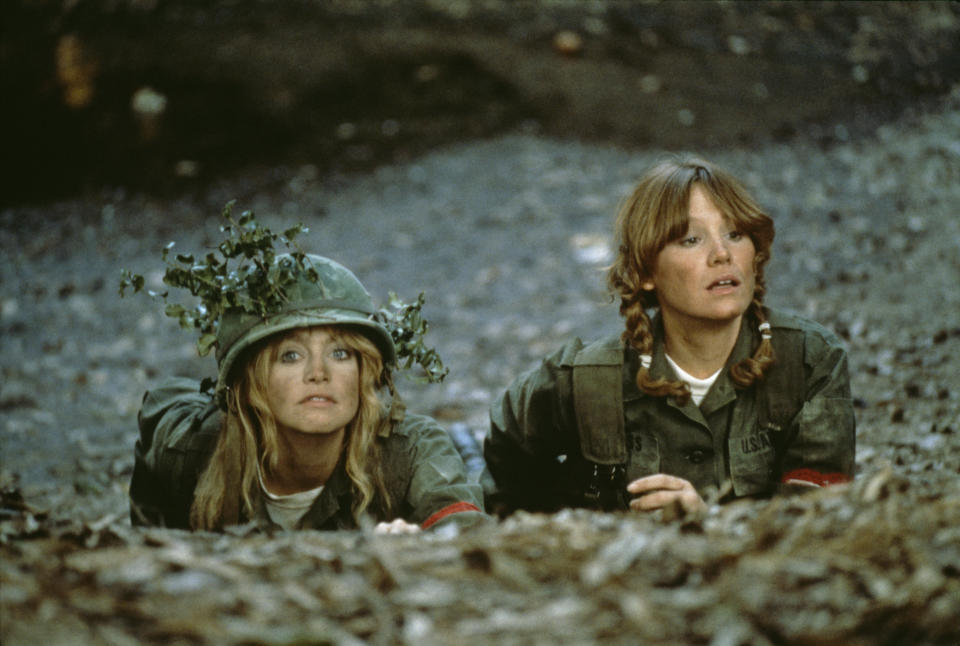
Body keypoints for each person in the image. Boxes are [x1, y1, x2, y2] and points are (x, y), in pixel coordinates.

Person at [483, 155, 856, 517]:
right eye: (691, 240)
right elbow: (507, 455)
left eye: (736, 233)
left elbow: (817, 522)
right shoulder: (586, 380)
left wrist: (709, 522)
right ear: (646, 272)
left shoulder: (808, 359)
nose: (722, 254)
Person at [129, 253, 485, 533]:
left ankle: (470, 448)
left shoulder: (410, 451)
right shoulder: (191, 447)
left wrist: (421, 544)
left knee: (482, 479)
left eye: (340, 353)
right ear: (250, 384)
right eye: (291, 356)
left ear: (365, 373)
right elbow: (159, 410)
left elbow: (466, 533)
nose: (318, 373)